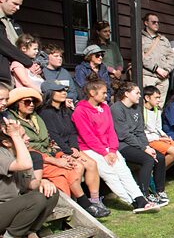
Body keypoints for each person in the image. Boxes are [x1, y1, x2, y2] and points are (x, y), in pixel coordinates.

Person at [7, 87, 108, 218]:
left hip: (49, 154)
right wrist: (54, 160)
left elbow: (50, 140)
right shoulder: (12, 122)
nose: (31, 104)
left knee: (74, 166)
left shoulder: (36, 118)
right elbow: (24, 148)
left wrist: (63, 155)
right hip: (32, 159)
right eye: (27, 102)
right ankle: (82, 207)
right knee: (65, 172)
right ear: (17, 104)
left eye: (33, 102)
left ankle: (76, 208)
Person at [71, 79, 159, 213]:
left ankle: (140, 198)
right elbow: (87, 136)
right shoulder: (80, 111)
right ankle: (132, 202)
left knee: (123, 170)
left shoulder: (105, 108)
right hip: (90, 149)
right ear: (92, 93)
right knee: (110, 173)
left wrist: (112, 150)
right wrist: (104, 153)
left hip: (108, 147)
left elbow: (111, 130)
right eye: (103, 93)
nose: (106, 95)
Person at [37, 82, 108, 215]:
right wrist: (68, 151)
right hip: (58, 149)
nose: (64, 92)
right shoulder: (45, 113)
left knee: (92, 164)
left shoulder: (66, 111)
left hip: (71, 147)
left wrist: (74, 147)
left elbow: (72, 132)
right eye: (59, 90)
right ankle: (78, 202)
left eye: (64, 90)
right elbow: (53, 136)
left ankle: (95, 200)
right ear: (49, 93)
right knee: (78, 166)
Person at [0, 118, 58, 238]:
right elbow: (24, 165)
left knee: (51, 193)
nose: (27, 139)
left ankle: (29, 232)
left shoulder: (20, 154)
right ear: (6, 142)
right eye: (22, 136)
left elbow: (30, 185)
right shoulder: (2, 154)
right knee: (36, 199)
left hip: (13, 208)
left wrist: (43, 181)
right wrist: (15, 135)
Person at [111, 82, 169, 206]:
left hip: (137, 143)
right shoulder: (116, 109)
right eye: (137, 93)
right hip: (122, 145)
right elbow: (123, 134)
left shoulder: (137, 108)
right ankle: (144, 193)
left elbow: (140, 131)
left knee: (160, 157)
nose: (140, 96)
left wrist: (147, 146)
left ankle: (159, 191)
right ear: (126, 94)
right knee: (147, 159)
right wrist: (143, 148)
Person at [0, 0, 39, 87]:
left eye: (19, 5)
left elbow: (25, 46)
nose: (18, 8)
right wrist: (28, 63)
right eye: (15, 3)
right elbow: (4, 45)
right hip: (3, 74)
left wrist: (34, 64)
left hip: (19, 71)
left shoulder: (14, 24)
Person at [141, 85, 174, 168]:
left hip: (158, 138)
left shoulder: (157, 110)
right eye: (156, 98)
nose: (159, 100)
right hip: (150, 140)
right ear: (147, 98)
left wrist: (165, 136)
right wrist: (160, 139)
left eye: (159, 97)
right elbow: (144, 133)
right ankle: (154, 173)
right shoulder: (142, 111)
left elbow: (158, 128)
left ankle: (161, 172)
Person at [141, 13, 174, 105]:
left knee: (159, 106)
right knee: (147, 105)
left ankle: (157, 120)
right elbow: (141, 58)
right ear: (146, 23)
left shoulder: (163, 39)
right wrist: (157, 69)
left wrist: (166, 70)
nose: (156, 24)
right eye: (153, 22)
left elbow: (171, 56)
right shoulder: (140, 38)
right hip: (148, 76)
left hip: (163, 79)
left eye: (157, 22)